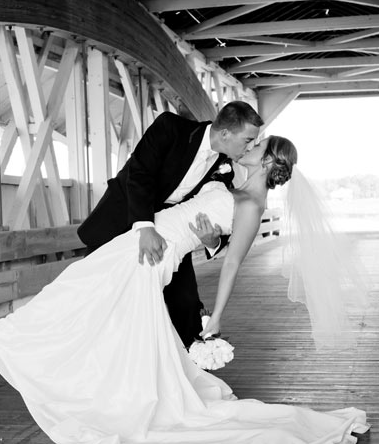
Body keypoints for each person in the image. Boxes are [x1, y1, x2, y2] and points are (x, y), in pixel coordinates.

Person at [0, 135, 369, 444]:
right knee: (83, 303)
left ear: (267, 162)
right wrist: (208, 238)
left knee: (71, 294)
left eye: (257, 145)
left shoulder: (252, 205)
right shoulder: (228, 180)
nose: (250, 145)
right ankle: (20, 352)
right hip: (136, 243)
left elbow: (232, 262)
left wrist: (215, 315)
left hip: (150, 258)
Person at [77, 101, 263, 348]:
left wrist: (213, 241)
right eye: (248, 139)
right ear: (226, 133)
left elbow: (222, 213)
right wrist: (144, 227)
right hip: (124, 219)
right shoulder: (171, 127)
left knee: (186, 303)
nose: (250, 147)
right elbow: (139, 172)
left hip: (171, 238)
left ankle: (195, 364)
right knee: (97, 296)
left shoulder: (224, 168)